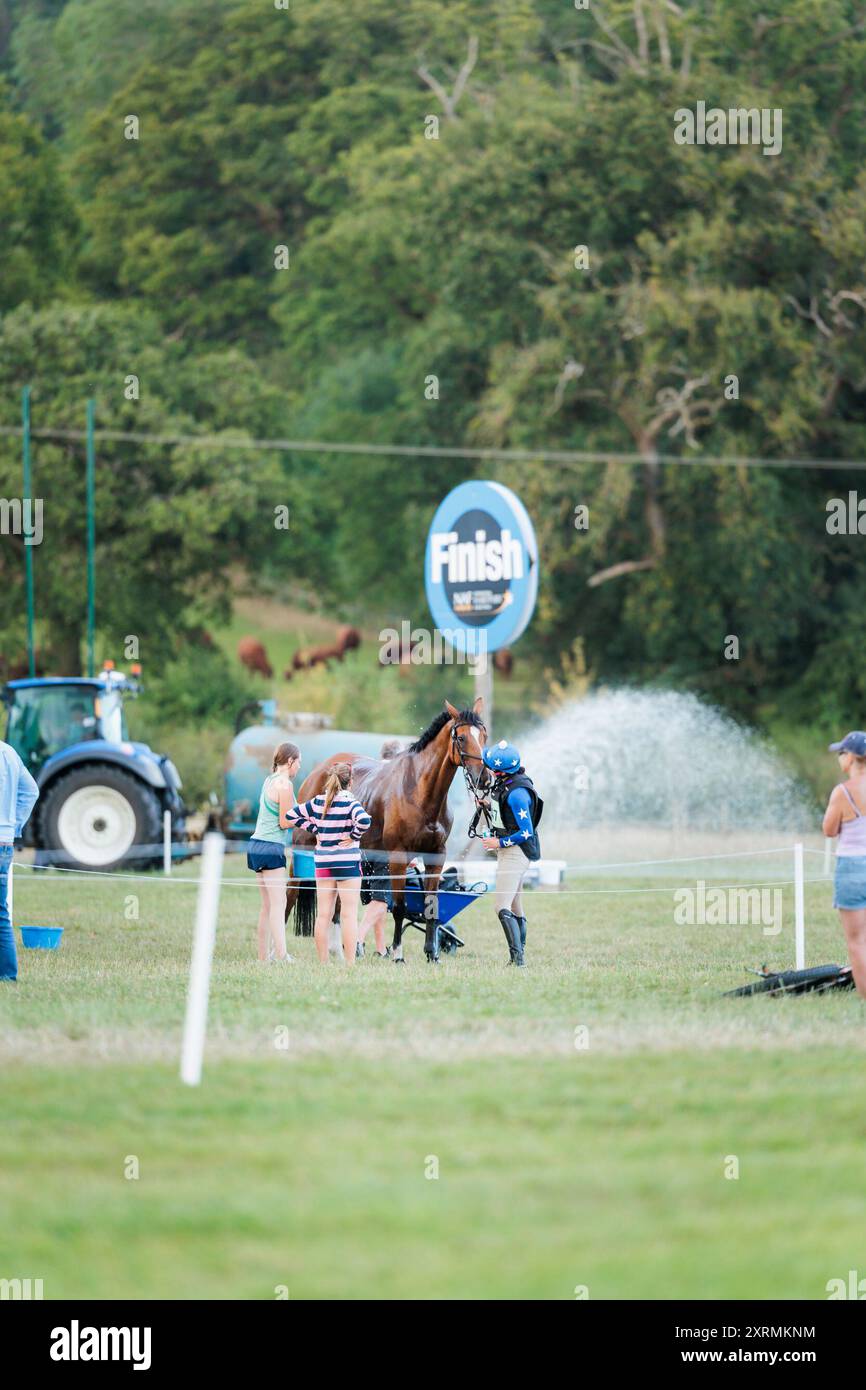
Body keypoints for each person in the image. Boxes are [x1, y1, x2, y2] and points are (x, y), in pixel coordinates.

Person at [287, 762, 371, 965]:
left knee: (323, 914)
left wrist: (315, 829)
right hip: (347, 863)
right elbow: (365, 821)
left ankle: (323, 962)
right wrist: (353, 836)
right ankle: (350, 963)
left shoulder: (318, 801)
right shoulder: (351, 803)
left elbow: (291, 815)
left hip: (323, 862)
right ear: (350, 782)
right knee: (349, 915)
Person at [480, 739, 543, 967]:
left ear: (499, 771)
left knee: (501, 906)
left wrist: (499, 842)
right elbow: (505, 813)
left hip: (515, 853)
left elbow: (525, 832)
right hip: (511, 852)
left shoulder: (517, 795)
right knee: (516, 907)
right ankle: (518, 958)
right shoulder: (508, 783)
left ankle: (518, 960)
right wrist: (488, 806)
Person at [246, 742, 301, 963]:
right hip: (271, 847)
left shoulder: (269, 780)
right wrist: (305, 820)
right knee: (279, 905)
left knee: (267, 906)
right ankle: (281, 955)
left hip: (255, 845)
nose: (298, 767)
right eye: (298, 762)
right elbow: (285, 821)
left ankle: (263, 957)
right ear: (290, 761)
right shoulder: (285, 785)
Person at [822, 730, 866, 997]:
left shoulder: (842, 792)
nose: (840, 758)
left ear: (850, 758)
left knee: (857, 941)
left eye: (841, 753)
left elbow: (829, 830)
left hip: (852, 868)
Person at [357, 738, 403, 958]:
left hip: (362, 848)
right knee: (381, 899)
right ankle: (356, 939)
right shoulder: (396, 778)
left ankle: (380, 948)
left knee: (378, 900)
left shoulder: (369, 775)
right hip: (385, 848)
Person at [0, 738, 40, 982]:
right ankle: (7, 975)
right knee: (1, 915)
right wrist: (12, 827)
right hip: (4, 843)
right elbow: (31, 791)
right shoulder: (9, 752)